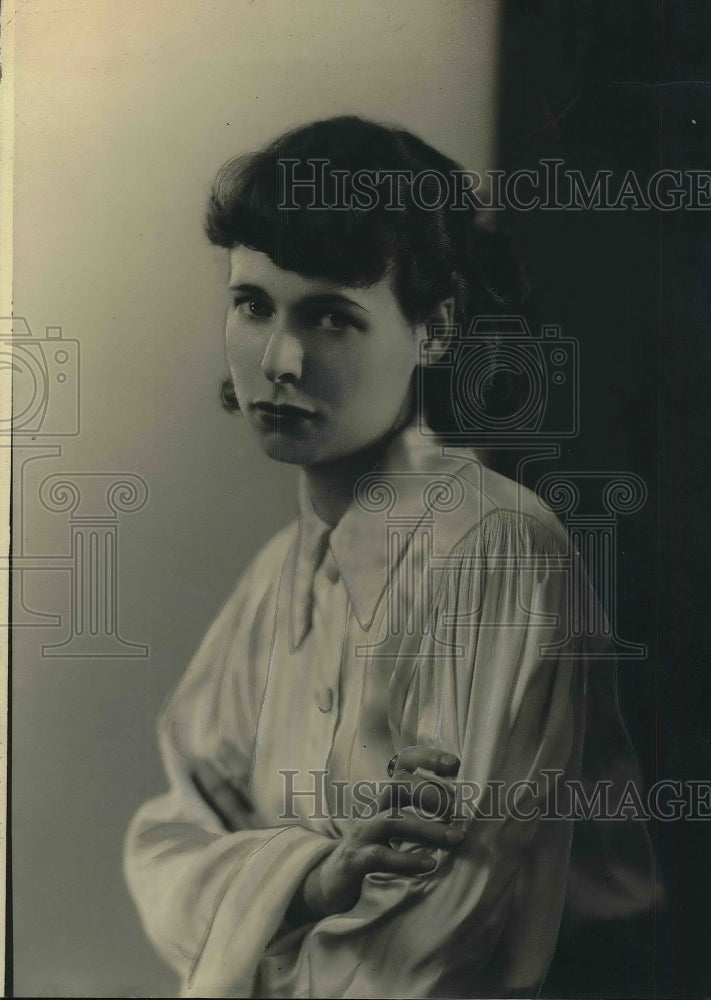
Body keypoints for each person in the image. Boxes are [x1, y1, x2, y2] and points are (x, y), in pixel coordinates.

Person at [124, 116, 657, 998]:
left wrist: (267, 896)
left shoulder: (497, 552)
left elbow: (437, 936)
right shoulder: (276, 580)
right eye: (252, 304)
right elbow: (168, 840)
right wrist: (311, 879)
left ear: (435, 330)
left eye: (332, 317)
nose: (280, 360)